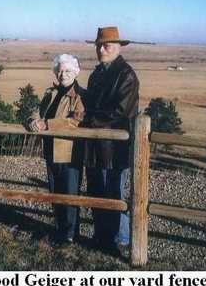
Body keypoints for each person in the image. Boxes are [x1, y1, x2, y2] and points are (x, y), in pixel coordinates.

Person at [82, 26, 139, 255]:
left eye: (107, 46)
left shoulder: (126, 75)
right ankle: (102, 236)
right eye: (99, 45)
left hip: (115, 147)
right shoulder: (97, 74)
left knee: (114, 193)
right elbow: (88, 103)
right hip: (95, 145)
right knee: (97, 190)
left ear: (118, 48)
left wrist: (88, 121)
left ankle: (121, 240)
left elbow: (120, 111)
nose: (101, 50)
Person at [26, 54, 85, 245]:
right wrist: (33, 120)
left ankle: (69, 236)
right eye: (59, 70)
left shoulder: (80, 95)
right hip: (50, 150)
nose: (63, 74)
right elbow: (37, 111)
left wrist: (47, 125)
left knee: (69, 194)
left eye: (68, 71)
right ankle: (59, 230)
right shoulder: (50, 92)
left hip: (69, 152)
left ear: (76, 72)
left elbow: (77, 120)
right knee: (55, 192)